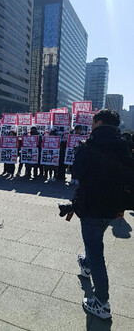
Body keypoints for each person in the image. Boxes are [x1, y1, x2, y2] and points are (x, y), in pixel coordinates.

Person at [70, 109, 134, 319]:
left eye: (92, 122)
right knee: (93, 245)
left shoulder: (87, 145)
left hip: (91, 208)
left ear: (97, 123)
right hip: (115, 210)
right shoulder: (125, 147)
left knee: (96, 251)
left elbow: (77, 172)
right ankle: (86, 266)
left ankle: (102, 303)